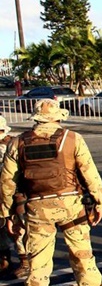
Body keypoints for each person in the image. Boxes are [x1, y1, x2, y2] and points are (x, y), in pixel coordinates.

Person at [0, 99, 102, 286]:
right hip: (71, 204)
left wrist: (8, 215)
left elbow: (7, 183)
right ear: (57, 117)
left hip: (36, 207)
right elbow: (90, 174)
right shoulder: (72, 139)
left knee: (38, 265)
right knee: (83, 257)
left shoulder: (17, 143)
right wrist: (100, 201)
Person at [0, 117, 28, 280]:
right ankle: (4, 262)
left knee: (18, 231)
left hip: (15, 195)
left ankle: (26, 263)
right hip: (5, 195)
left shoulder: (13, 146)